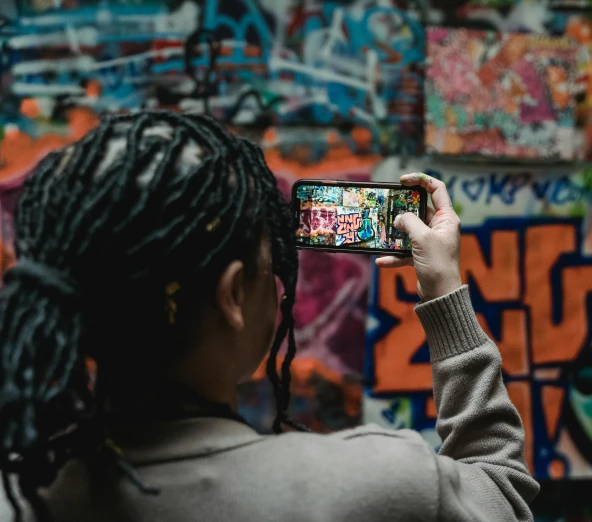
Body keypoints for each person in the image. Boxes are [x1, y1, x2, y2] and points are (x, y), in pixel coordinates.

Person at [0, 112, 539, 522]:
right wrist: (444, 290)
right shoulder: (377, 485)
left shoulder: (20, 495)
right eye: (270, 263)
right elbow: (503, 494)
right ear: (234, 295)